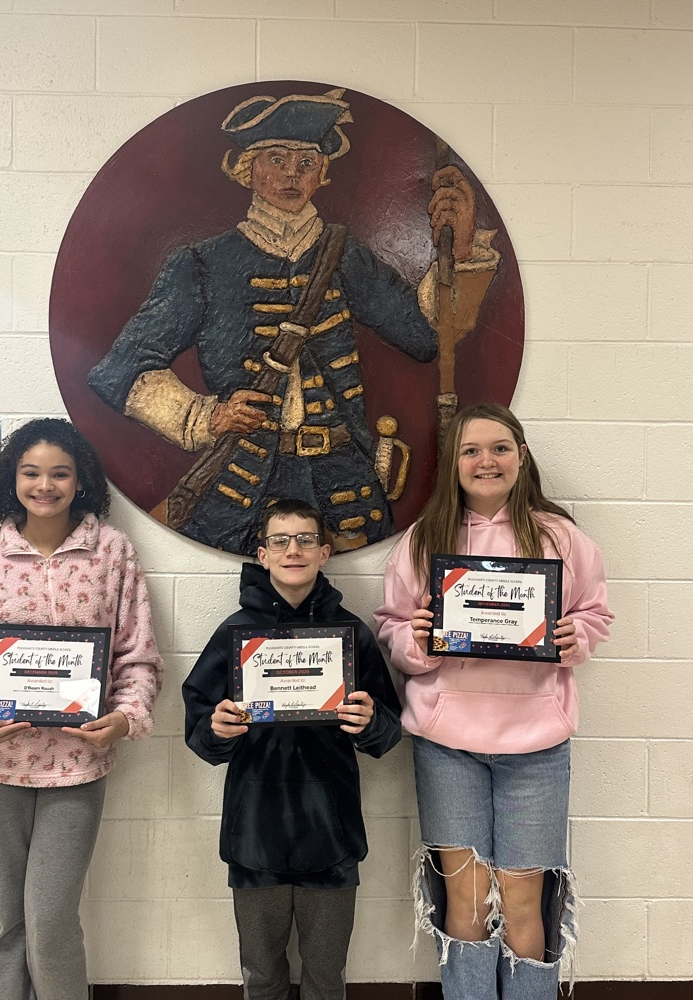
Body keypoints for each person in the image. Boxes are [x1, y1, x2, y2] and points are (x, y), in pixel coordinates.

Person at [87, 88, 499, 556]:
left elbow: (426, 337)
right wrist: (206, 417)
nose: (291, 175)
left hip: (344, 480)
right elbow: (121, 369)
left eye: (305, 163)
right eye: (276, 159)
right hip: (241, 481)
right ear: (247, 170)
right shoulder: (202, 264)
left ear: (323, 173)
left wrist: (462, 249)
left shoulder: (344, 254)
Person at [374, 403, 613, 999]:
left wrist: (572, 637)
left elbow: (595, 614)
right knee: (468, 901)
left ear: (521, 456)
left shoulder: (560, 536)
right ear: (452, 463)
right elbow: (391, 630)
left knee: (526, 900)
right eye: (471, 450)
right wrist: (421, 642)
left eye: (500, 448)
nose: (487, 461)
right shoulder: (422, 541)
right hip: (447, 747)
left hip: (536, 748)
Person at [0, 418, 163, 1000]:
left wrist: (125, 717)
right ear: (11, 479)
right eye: (31, 472)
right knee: (2, 924)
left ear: (81, 480)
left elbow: (138, 656)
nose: (46, 485)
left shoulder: (112, 552)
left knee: (50, 920)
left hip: (76, 766)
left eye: (60, 473)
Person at [182, 498, 402, 1000]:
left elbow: (388, 728)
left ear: (325, 552)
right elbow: (198, 725)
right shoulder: (235, 634)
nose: (293, 550)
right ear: (262, 554)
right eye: (280, 540)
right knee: (261, 979)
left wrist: (369, 723)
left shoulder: (351, 634)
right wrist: (216, 729)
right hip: (254, 835)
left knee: (326, 980)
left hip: (332, 834)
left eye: (305, 539)